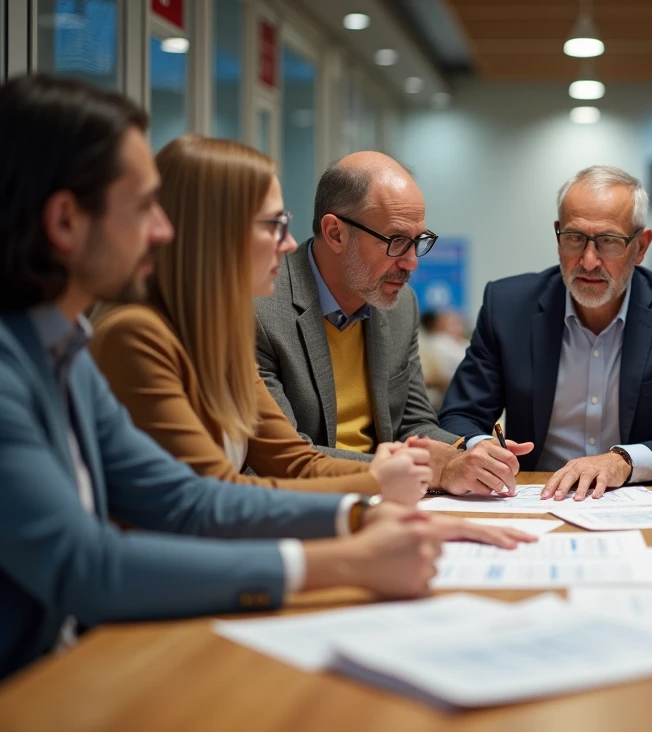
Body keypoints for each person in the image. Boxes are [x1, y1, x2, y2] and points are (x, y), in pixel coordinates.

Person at [0, 74, 440, 679]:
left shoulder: (65, 347)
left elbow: (188, 500)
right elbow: (91, 566)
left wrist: (358, 516)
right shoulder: (101, 341)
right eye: (141, 208)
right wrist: (347, 556)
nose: (160, 231)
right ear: (66, 221)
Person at [88, 136, 528, 549]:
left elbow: (293, 461)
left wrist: (431, 467)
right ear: (213, 235)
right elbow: (211, 499)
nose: (286, 245)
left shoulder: (215, 330)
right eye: (272, 226)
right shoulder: (140, 334)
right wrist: (385, 491)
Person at [438, 166, 652, 500]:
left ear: (641, 246)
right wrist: (482, 450)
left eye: (609, 241)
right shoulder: (508, 307)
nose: (590, 260)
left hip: (643, 497)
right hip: (532, 496)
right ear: (557, 236)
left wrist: (626, 460)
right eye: (575, 239)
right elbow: (459, 414)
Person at [255, 153, 529, 496]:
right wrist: (432, 468)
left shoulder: (400, 306)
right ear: (335, 233)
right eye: (396, 241)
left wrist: (469, 452)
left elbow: (413, 424)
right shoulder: (260, 308)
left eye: (419, 241)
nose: (412, 262)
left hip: (394, 498)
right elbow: (283, 459)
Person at [419, 308, 469, 410]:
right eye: (453, 324)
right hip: (451, 388)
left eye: (459, 323)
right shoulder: (438, 342)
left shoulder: (459, 342)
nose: (459, 327)